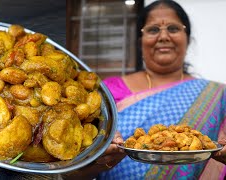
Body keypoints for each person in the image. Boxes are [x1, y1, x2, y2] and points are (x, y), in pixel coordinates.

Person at [63, 0, 226, 179]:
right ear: (140, 41)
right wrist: (95, 162)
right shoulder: (109, 91)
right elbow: (72, 172)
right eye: (153, 30)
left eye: (173, 28)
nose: (163, 36)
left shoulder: (217, 95)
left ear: (187, 38)